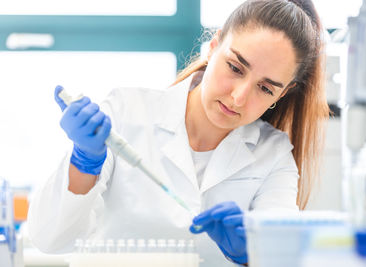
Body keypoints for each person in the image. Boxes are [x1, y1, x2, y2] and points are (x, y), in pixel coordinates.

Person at [27, 0, 329, 265]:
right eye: (236, 67)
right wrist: (84, 162)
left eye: (264, 88)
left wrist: (251, 252)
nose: (239, 97)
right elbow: (49, 239)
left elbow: (283, 255)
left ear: (282, 94)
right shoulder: (126, 111)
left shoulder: (273, 155)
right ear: (214, 47)